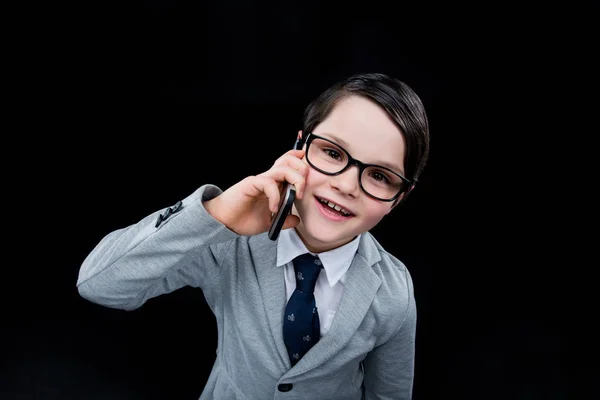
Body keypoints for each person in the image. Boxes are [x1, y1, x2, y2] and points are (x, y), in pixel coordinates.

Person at [77, 72, 430, 399]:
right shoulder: (227, 240)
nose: (346, 185)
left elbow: (389, 394)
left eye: (380, 176)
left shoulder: (394, 291)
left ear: (399, 198)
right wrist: (214, 214)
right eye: (333, 153)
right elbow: (100, 285)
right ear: (299, 147)